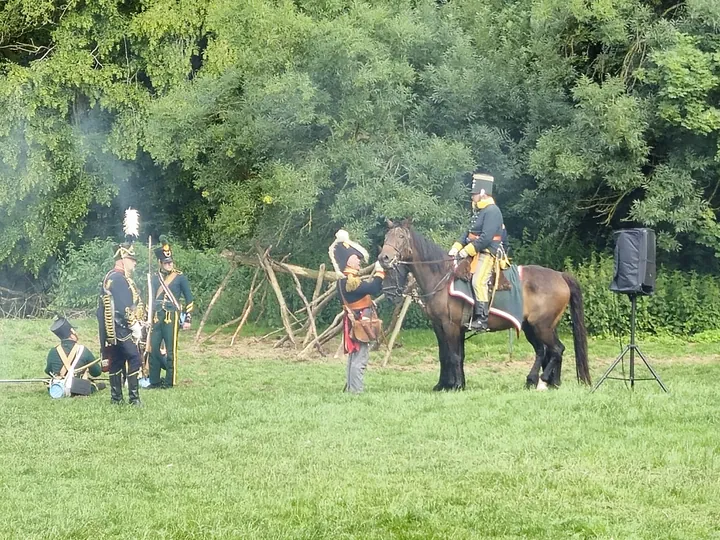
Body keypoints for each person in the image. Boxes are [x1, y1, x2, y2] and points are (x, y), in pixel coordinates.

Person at [329, 229, 385, 393]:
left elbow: (364, 293)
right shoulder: (350, 282)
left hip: (356, 319)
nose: (359, 261)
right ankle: (356, 391)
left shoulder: (343, 281)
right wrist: (380, 272)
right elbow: (373, 287)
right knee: (360, 358)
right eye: (355, 259)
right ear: (347, 262)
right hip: (361, 320)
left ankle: (351, 389)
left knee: (354, 356)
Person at [448, 172, 505, 331]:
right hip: (474, 253)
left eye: (474, 194)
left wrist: (466, 251)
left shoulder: (492, 211)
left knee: (478, 281)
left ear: (482, 193)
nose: (472, 197)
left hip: (487, 253)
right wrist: (456, 247)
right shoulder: (480, 211)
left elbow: (486, 238)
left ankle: (482, 320)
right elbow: (468, 233)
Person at [97, 241, 146, 406]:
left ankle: (116, 398)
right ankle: (134, 399)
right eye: (131, 259)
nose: (134, 263)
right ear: (122, 258)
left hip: (111, 330)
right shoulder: (119, 279)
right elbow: (124, 307)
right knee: (134, 358)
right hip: (121, 327)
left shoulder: (110, 277)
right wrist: (134, 326)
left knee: (117, 360)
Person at [147, 236, 194, 389]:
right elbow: (150, 298)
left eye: (170, 262)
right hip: (156, 316)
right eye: (166, 262)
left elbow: (189, 299)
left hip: (171, 316)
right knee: (153, 348)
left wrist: (188, 318)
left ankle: (169, 381)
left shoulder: (180, 277)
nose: (169, 265)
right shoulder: (154, 278)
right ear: (160, 263)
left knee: (170, 350)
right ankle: (154, 381)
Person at [46, 317, 105, 396]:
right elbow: (96, 372)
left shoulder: (53, 351)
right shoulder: (83, 350)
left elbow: (48, 371)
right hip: (78, 389)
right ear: (72, 332)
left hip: (58, 387)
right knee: (99, 385)